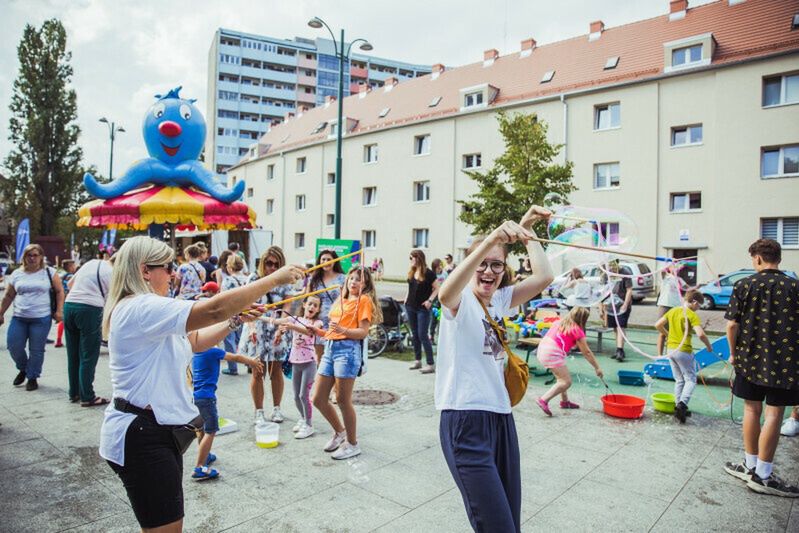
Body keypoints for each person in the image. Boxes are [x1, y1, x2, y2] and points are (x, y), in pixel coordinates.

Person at [99, 235, 303, 531]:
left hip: (154, 431)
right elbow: (212, 310)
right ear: (145, 270)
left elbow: (194, 341)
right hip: (143, 434)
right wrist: (273, 280)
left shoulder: (149, 307)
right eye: (168, 267)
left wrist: (235, 321)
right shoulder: (140, 307)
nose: (174, 273)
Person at [436, 206, 553, 533]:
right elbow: (446, 294)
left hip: (501, 418)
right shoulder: (461, 302)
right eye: (481, 263)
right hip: (465, 419)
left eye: (496, 264)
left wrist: (527, 233)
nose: (488, 271)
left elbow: (544, 277)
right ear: (469, 265)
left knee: (510, 525)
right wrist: (490, 240)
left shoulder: (498, 302)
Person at [723, 239, 799, 497]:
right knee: (775, 415)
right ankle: (762, 474)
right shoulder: (795, 287)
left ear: (757, 258)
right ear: (778, 258)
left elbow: (732, 325)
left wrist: (733, 354)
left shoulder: (744, 285)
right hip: (786, 364)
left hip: (749, 360)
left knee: (751, 409)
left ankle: (750, 464)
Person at [311, 267, 382, 460]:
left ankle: (352, 444)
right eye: (352, 278)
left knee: (343, 400)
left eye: (359, 280)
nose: (354, 282)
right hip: (330, 348)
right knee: (317, 398)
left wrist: (342, 329)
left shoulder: (364, 301)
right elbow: (333, 330)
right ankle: (340, 432)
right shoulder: (340, 300)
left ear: (366, 284)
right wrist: (319, 332)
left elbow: (363, 332)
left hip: (348, 351)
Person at [191, 346, 263, 481]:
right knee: (210, 431)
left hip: (195, 397)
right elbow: (235, 357)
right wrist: (252, 361)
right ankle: (200, 467)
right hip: (207, 398)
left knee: (203, 428)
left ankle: (205, 455)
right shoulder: (213, 350)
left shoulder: (197, 350)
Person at [0, 244, 64, 391]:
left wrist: (59, 311)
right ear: (24, 257)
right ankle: (23, 368)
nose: (32, 258)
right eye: (29, 255)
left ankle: (32, 376)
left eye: (35, 255)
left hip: (41, 318)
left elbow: (60, 291)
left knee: (36, 350)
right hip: (19, 317)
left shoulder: (49, 272)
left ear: (41, 257)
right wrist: (1, 312)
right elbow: (9, 295)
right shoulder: (17, 274)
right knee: (13, 345)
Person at [241, 247, 293, 425]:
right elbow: (246, 304)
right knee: (257, 370)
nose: (272, 267)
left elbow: (287, 307)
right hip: (258, 326)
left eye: (276, 264)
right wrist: (252, 326)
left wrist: (282, 327)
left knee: (276, 370)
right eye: (269, 263)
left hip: (276, 326)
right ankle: (259, 411)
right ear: (263, 263)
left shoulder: (285, 281)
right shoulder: (254, 279)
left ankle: (277, 409)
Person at [654, 289, 714, 423]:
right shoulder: (691, 315)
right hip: (684, 350)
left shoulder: (673, 310)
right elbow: (701, 334)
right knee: (691, 379)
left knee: (679, 379)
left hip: (671, 349)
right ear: (694, 302)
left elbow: (658, 325)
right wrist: (709, 346)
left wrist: (668, 334)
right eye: (699, 305)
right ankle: (682, 405)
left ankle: (677, 407)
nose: (698, 308)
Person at [271, 295, 323, 439]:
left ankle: (309, 425)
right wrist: (260, 316)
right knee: (295, 396)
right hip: (295, 362)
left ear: (318, 309)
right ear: (304, 304)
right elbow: (276, 320)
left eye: (315, 305)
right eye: (310, 304)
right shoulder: (294, 319)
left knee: (303, 395)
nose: (312, 307)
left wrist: (291, 325)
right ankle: (303, 418)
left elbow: (308, 331)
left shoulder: (317, 322)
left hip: (309, 363)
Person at [63, 255, 113, 406]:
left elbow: (70, 283)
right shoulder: (112, 273)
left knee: (72, 354)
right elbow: (112, 299)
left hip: (69, 306)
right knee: (88, 355)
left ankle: (74, 392)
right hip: (90, 309)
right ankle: (87, 396)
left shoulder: (91, 262)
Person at [535, 307, 603, 415]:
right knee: (566, 382)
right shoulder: (576, 329)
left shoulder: (559, 322)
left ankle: (565, 402)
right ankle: (543, 399)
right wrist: (597, 367)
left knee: (561, 377)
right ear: (583, 319)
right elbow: (587, 352)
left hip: (543, 349)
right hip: (553, 353)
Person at [307, 249, 346, 361]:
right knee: (319, 357)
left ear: (334, 261)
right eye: (323, 259)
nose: (326, 261)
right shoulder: (314, 279)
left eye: (329, 259)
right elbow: (308, 297)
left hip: (336, 321)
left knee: (334, 355)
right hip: (318, 322)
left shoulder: (342, 278)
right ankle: (320, 378)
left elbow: (346, 299)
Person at [406, 250, 438, 374]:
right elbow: (410, 287)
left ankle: (430, 364)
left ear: (418, 258)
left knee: (422, 335)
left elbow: (437, 288)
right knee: (414, 334)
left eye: (411, 258)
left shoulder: (428, 273)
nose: (410, 260)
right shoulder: (412, 271)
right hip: (410, 306)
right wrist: (405, 299)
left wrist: (430, 300)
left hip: (422, 308)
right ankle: (417, 360)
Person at [220, 254, 249, 375]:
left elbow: (222, 298)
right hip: (245, 313)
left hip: (231, 313)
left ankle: (233, 367)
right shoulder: (247, 279)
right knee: (243, 338)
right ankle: (249, 363)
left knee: (229, 341)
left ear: (230, 267)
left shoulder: (227, 280)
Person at [599, 261, 633, 362]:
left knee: (620, 327)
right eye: (609, 267)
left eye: (613, 267)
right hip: (611, 305)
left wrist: (625, 305)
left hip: (622, 303)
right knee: (615, 327)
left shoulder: (624, 272)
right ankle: (619, 349)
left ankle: (620, 350)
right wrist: (601, 307)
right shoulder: (606, 274)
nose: (611, 269)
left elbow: (629, 290)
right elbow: (603, 292)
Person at [54, 260, 77, 348]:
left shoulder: (62, 275)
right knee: (69, 322)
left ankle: (58, 340)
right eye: (73, 266)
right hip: (69, 300)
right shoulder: (71, 276)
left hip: (63, 300)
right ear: (70, 267)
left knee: (62, 321)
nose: (74, 267)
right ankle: (70, 341)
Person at [428, 258, 448, 343]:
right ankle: (431, 336)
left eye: (440, 266)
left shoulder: (444, 274)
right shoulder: (432, 275)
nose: (440, 268)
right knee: (434, 318)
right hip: (435, 300)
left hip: (443, 299)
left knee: (442, 319)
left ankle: (441, 337)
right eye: (437, 267)